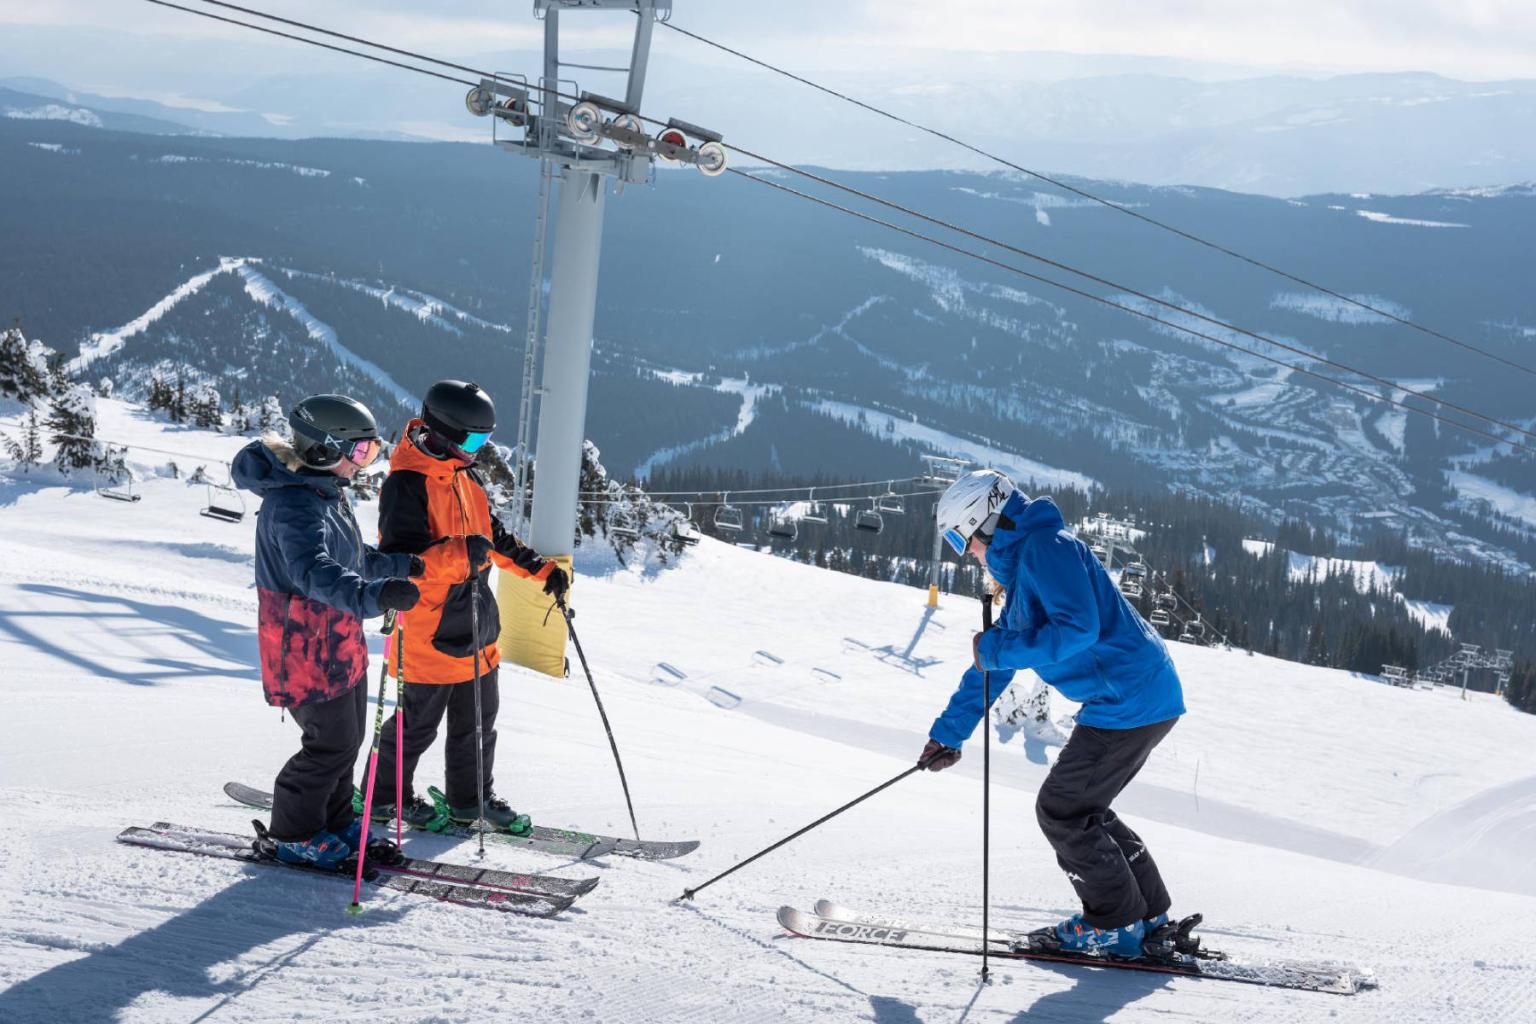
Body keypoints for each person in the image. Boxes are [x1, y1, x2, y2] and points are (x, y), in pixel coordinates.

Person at [919, 469, 1185, 958]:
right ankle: (1146, 914)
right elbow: (995, 665)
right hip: (1137, 696)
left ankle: (1114, 923)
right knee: (1083, 810)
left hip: (1127, 698)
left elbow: (1078, 629)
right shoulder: (1027, 563)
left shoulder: (1045, 549)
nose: (966, 553)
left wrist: (998, 649)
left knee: (1061, 810)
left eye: (961, 539)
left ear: (984, 521)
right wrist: (948, 734)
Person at [232, 394, 424, 868]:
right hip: (302, 645)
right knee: (328, 744)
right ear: (322, 450)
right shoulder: (294, 505)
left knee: (348, 740)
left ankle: (335, 821)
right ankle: (292, 833)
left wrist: (399, 567)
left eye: (371, 453)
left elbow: (351, 559)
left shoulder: (324, 494)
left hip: (338, 639)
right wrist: (374, 597)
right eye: (359, 453)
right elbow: (312, 573)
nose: (364, 464)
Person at [369, 380, 570, 833]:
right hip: (428, 632)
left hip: (476, 626)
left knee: (478, 726)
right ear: (444, 434)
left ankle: (469, 800)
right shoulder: (407, 485)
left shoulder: (463, 476)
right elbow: (402, 564)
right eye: (474, 440)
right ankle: (384, 799)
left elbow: (491, 537)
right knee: (416, 728)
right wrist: (465, 555)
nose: (479, 450)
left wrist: (541, 571)